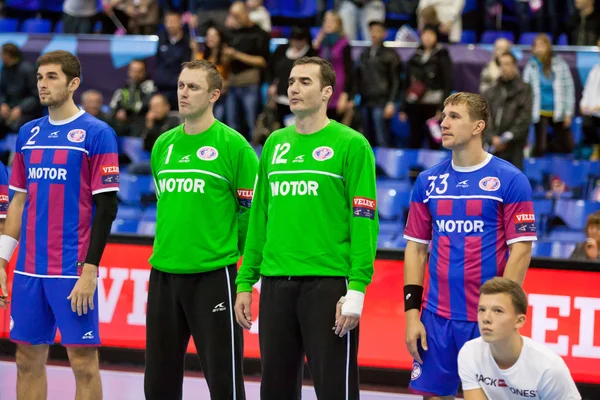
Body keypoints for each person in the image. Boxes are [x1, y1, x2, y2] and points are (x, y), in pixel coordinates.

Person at [234, 56, 379, 399]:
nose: (294, 88)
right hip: (275, 283)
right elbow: (260, 217)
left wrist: (357, 287)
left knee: (334, 390)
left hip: (328, 285)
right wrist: (245, 280)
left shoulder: (352, 144)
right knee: (276, 389)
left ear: (327, 91)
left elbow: (364, 219)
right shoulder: (274, 144)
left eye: (305, 82)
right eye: (291, 82)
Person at [0, 50, 120, 400]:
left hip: (72, 271)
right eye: (40, 77)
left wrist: (90, 270)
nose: (43, 84)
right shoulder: (27, 133)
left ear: (73, 83)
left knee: (83, 363)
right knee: (26, 359)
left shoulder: (97, 133)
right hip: (29, 272)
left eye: (52, 77)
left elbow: (107, 207)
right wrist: (3, 261)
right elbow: (18, 201)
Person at [403, 92, 537, 399]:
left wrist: (501, 312)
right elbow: (416, 249)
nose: (444, 123)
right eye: (443, 115)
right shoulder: (427, 182)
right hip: (436, 319)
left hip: (485, 321)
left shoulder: (510, 180)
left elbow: (521, 250)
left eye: (454, 116)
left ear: (478, 127)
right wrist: (412, 316)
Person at [143, 59, 257, 400]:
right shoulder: (163, 145)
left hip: (213, 276)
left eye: (193, 87)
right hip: (164, 273)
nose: (183, 93)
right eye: (180, 85)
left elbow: (249, 216)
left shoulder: (234, 147)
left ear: (214, 95)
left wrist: (240, 268)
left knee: (224, 381)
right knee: (158, 381)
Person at [458, 277, 581, 400]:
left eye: (498, 311)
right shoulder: (470, 353)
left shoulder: (549, 368)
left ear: (519, 321)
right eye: (482, 310)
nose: (486, 318)